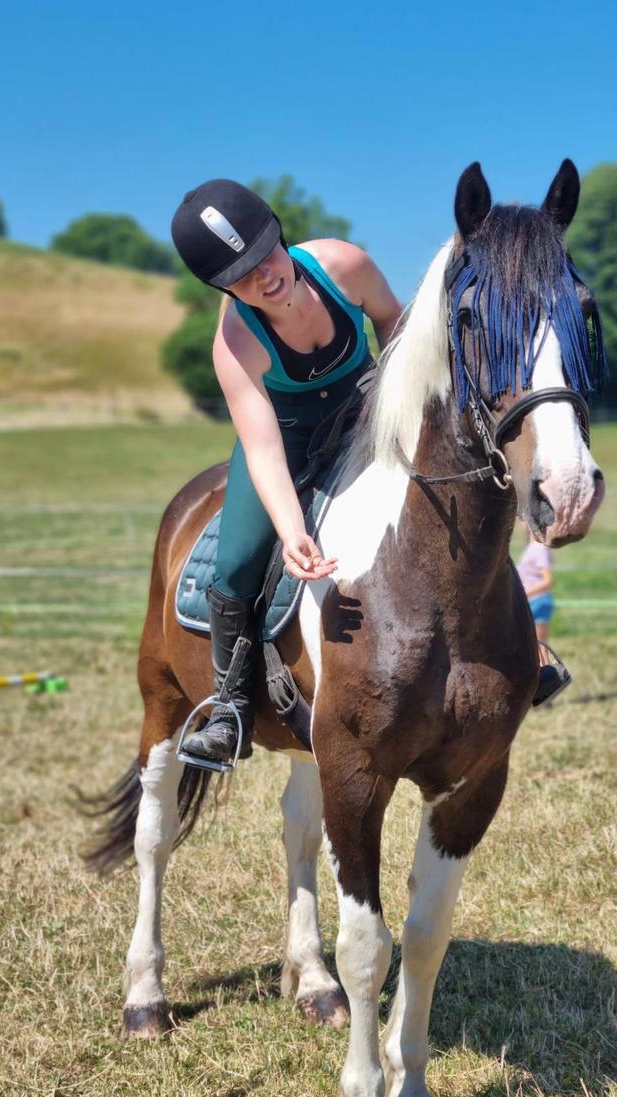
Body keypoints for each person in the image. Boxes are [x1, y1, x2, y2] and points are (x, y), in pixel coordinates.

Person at [170, 179, 403, 766]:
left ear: (279, 233)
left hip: (367, 410)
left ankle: (521, 644)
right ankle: (229, 709)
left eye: (264, 254)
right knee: (237, 559)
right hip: (286, 437)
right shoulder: (235, 342)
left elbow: (396, 332)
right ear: (223, 287)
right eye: (241, 275)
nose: (264, 277)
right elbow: (264, 449)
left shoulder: (346, 265)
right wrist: (292, 529)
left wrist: (403, 406)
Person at [518, 524, 572, 704]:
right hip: (532, 603)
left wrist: (525, 594)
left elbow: (548, 581)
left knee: (540, 646)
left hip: (538, 602)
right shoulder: (532, 548)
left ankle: (549, 687)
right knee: (536, 646)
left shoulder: (539, 549)